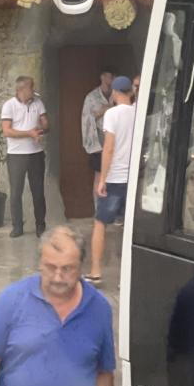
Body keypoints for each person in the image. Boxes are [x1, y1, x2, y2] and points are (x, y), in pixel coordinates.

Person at [0, 225, 115, 386]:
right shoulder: (12, 300)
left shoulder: (99, 308)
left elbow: (104, 375)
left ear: (81, 266)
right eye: (50, 267)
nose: (57, 277)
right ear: (40, 263)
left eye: (67, 268)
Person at [85, 76, 136, 284]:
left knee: (100, 224)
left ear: (114, 93)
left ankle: (96, 271)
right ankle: (130, 274)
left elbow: (109, 148)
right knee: (130, 227)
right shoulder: (138, 113)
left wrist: (102, 179)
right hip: (133, 178)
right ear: (130, 92)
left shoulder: (112, 114)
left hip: (115, 177)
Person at [1, 76, 49, 238]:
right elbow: (7, 131)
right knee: (16, 192)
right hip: (16, 155)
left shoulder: (38, 103)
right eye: (31, 86)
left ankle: (40, 225)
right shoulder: (9, 105)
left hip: (36, 154)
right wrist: (29, 133)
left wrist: (40, 129)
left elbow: (46, 124)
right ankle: (17, 226)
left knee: (38, 191)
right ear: (21, 89)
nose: (34, 88)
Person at [81, 69, 114, 201]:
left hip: (115, 139)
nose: (111, 79)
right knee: (99, 175)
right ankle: (99, 209)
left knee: (115, 176)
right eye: (109, 76)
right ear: (102, 77)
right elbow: (86, 119)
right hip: (98, 140)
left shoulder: (117, 95)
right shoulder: (91, 97)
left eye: (113, 77)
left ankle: (115, 211)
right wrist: (102, 111)